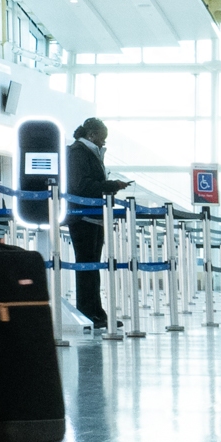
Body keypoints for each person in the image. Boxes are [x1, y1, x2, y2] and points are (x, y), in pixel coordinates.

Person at [63, 117, 128, 329]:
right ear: (91, 134)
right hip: (83, 217)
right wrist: (110, 185)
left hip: (93, 216)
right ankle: (87, 312)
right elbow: (81, 185)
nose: (103, 142)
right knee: (87, 265)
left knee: (92, 266)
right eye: (102, 138)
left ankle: (96, 311)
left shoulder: (87, 152)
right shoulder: (78, 153)